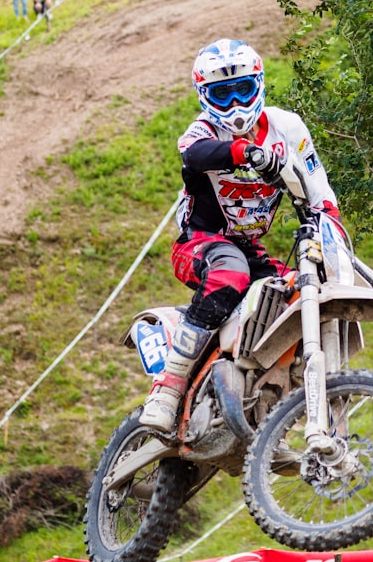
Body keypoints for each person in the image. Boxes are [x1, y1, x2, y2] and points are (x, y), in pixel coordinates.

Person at [140, 38, 340, 432]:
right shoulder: (200, 132)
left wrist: (330, 238)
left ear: (259, 85)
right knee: (231, 274)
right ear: (204, 95)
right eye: (222, 94)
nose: (234, 104)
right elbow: (195, 155)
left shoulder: (288, 128)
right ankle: (167, 388)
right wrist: (245, 153)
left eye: (243, 90)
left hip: (249, 248)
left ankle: (274, 397)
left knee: (296, 293)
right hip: (198, 243)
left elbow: (321, 195)